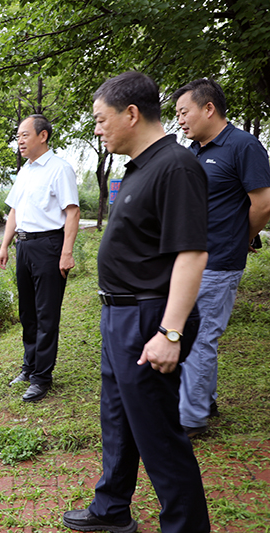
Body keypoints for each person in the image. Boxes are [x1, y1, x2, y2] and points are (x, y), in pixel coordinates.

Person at [63, 71, 210, 533]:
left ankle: (186, 527)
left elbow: (192, 254)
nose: (97, 130)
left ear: (131, 113)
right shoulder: (140, 166)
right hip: (120, 314)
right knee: (118, 418)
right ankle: (111, 508)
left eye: (100, 119)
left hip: (150, 316)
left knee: (158, 435)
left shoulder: (175, 166)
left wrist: (170, 332)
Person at [171, 78, 270, 437]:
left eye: (184, 112)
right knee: (192, 332)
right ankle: (205, 401)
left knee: (200, 337)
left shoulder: (243, 145)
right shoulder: (194, 151)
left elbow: (263, 204)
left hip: (218, 260)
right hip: (189, 259)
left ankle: (191, 420)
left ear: (208, 108)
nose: (180, 119)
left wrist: (240, 238)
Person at [0, 114, 80, 402]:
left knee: (46, 314)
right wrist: (5, 245)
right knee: (28, 313)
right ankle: (29, 367)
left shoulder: (60, 169)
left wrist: (66, 252)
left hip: (49, 246)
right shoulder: (25, 171)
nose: (19, 141)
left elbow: (72, 212)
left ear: (42, 136)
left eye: (24, 135)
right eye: (18, 136)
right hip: (25, 246)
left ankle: (42, 377)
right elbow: (14, 211)